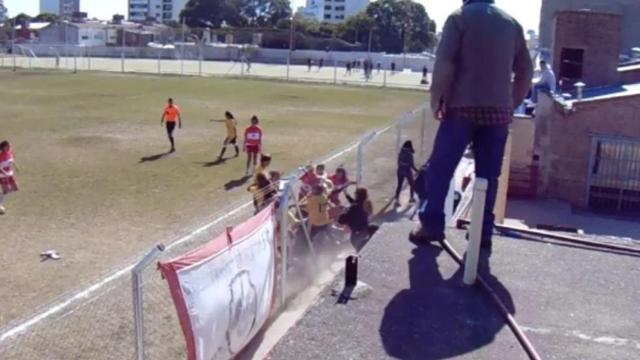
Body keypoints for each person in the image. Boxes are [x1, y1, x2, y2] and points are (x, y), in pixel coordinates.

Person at [414, 0, 533, 250]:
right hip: (498, 113)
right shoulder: (512, 24)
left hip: (461, 109)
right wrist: (511, 103)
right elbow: (525, 70)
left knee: (440, 169)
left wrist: (437, 99)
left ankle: (431, 225)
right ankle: (482, 233)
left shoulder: (459, 18)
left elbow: (445, 63)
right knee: (488, 177)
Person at [0, 141, 18, 215]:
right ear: (4, 148)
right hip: (3, 175)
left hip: (9, 174)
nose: (10, 147)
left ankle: (2, 196)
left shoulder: (9, 152)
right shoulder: (1, 156)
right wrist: (5, 173)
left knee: (15, 188)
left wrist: (16, 167)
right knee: (6, 191)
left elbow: (12, 159)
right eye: (8, 146)